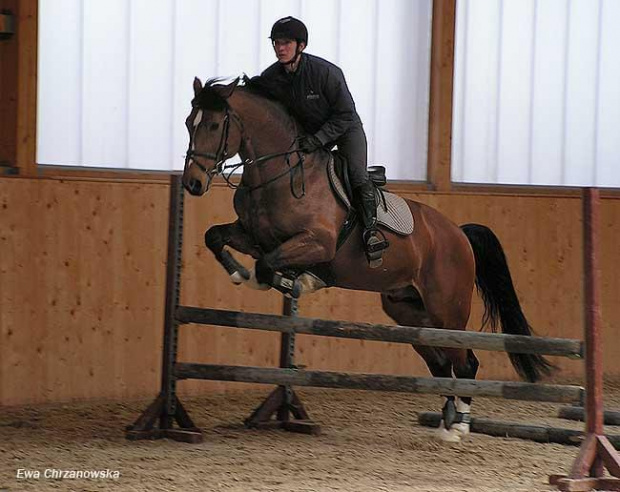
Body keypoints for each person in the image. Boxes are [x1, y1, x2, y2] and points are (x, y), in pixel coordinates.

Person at [259, 16, 389, 268]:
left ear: (301, 46)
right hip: (309, 137)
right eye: (276, 43)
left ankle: (372, 232)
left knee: (356, 175)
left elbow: (346, 115)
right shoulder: (272, 77)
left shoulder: (326, 73)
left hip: (345, 131)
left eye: (286, 43)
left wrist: (317, 140)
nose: (280, 48)